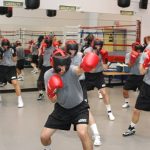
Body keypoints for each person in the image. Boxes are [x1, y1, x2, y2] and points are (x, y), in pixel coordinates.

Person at [40, 48, 99, 150]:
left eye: (65, 66)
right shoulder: (48, 75)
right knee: (44, 137)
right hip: (61, 109)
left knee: (82, 132)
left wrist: (85, 65)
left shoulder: (71, 70)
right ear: (53, 64)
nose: (62, 69)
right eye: (59, 67)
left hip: (79, 108)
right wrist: (51, 91)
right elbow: (53, 100)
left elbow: (80, 69)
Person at [65, 40, 101, 146]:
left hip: (80, 84)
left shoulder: (81, 55)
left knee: (86, 109)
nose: (72, 52)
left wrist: (91, 62)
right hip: (68, 84)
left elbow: (92, 65)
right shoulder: (63, 57)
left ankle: (96, 135)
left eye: (74, 49)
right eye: (70, 49)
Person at [84, 38, 115, 121]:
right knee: (83, 94)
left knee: (104, 93)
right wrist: (97, 56)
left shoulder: (102, 52)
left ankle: (109, 112)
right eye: (96, 45)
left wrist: (105, 62)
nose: (98, 47)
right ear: (93, 45)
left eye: (100, 45)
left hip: (98, 75)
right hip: (88, 75)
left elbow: (105, 66)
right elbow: (90, 63)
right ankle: (83, 111)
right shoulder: (87, 51)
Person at [123, 48, 150, 137]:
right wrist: (146, 62)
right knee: (136, 110)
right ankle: (131, 128)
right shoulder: (146, 55)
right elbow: (142, 71)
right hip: (147, 87)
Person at [0, 38, 24, 108]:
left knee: (15, 82)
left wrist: (14, 53)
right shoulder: (0, 49)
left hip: (11, 68)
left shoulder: (12, 49)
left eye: (6, 45)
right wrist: (1, 53)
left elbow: (14, 60)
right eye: (4, 46)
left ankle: (20, 99)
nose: (5, 47)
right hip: (2, 67)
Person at [122, 42, 144, 108]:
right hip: (133, 75)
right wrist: (133, 59)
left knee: (144, 92)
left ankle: (143, 103)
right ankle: (126, 103)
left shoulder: (144, 55)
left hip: (142, 76)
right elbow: (129, 66)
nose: (138, 50)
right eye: (137, 49)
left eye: (139, 49)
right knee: (125, 90)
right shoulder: (128, 55)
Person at [37, 36, 54, 100]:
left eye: (48, 43)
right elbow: (40, 57)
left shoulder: (54, 49)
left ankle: (55, 93)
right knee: (39, 82)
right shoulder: (43, 48)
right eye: (46, 43)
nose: (47, 44)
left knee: (51, 81)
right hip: (44, 66)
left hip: (51, 67)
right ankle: (41, 93)